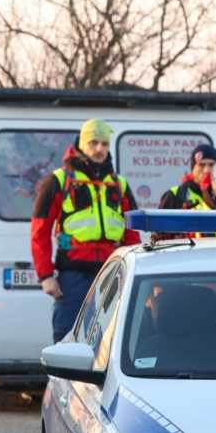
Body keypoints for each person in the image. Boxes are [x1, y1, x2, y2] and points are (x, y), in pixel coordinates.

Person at [31, 118, 140, 342]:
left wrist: (135, 269)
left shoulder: (119, 184)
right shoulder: (58, 180)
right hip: (73, 273)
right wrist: (46, 276)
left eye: (104, 144)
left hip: (112, 271)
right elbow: (40, 230)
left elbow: (131, 233)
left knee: (112, 339)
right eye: (93, 143)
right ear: (81, 144)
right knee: (67, 337)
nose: (99, 149)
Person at [158, 143, 216, 210]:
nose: (207, 170)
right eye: (201, 165)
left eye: (211, 165)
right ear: (193, 168)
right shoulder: (174, 195)